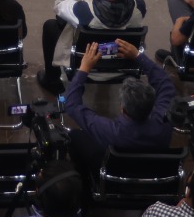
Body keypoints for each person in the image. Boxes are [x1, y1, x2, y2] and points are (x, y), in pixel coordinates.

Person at [64, 38, 176, 174]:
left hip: (114, 171)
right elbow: (165, 84)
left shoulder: (109, 131)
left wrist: (84, 68)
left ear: (123, 108)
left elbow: (72, 105)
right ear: (152, 104)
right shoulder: (164, 124)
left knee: (75, 135)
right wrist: (138, 56)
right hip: (151, 172)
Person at [38, 0, 147, 93]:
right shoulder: (139, 8)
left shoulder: (85, 10)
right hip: (123, 67)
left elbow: (59, 5)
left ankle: (51, 79)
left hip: (87, 68)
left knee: (51, 26)